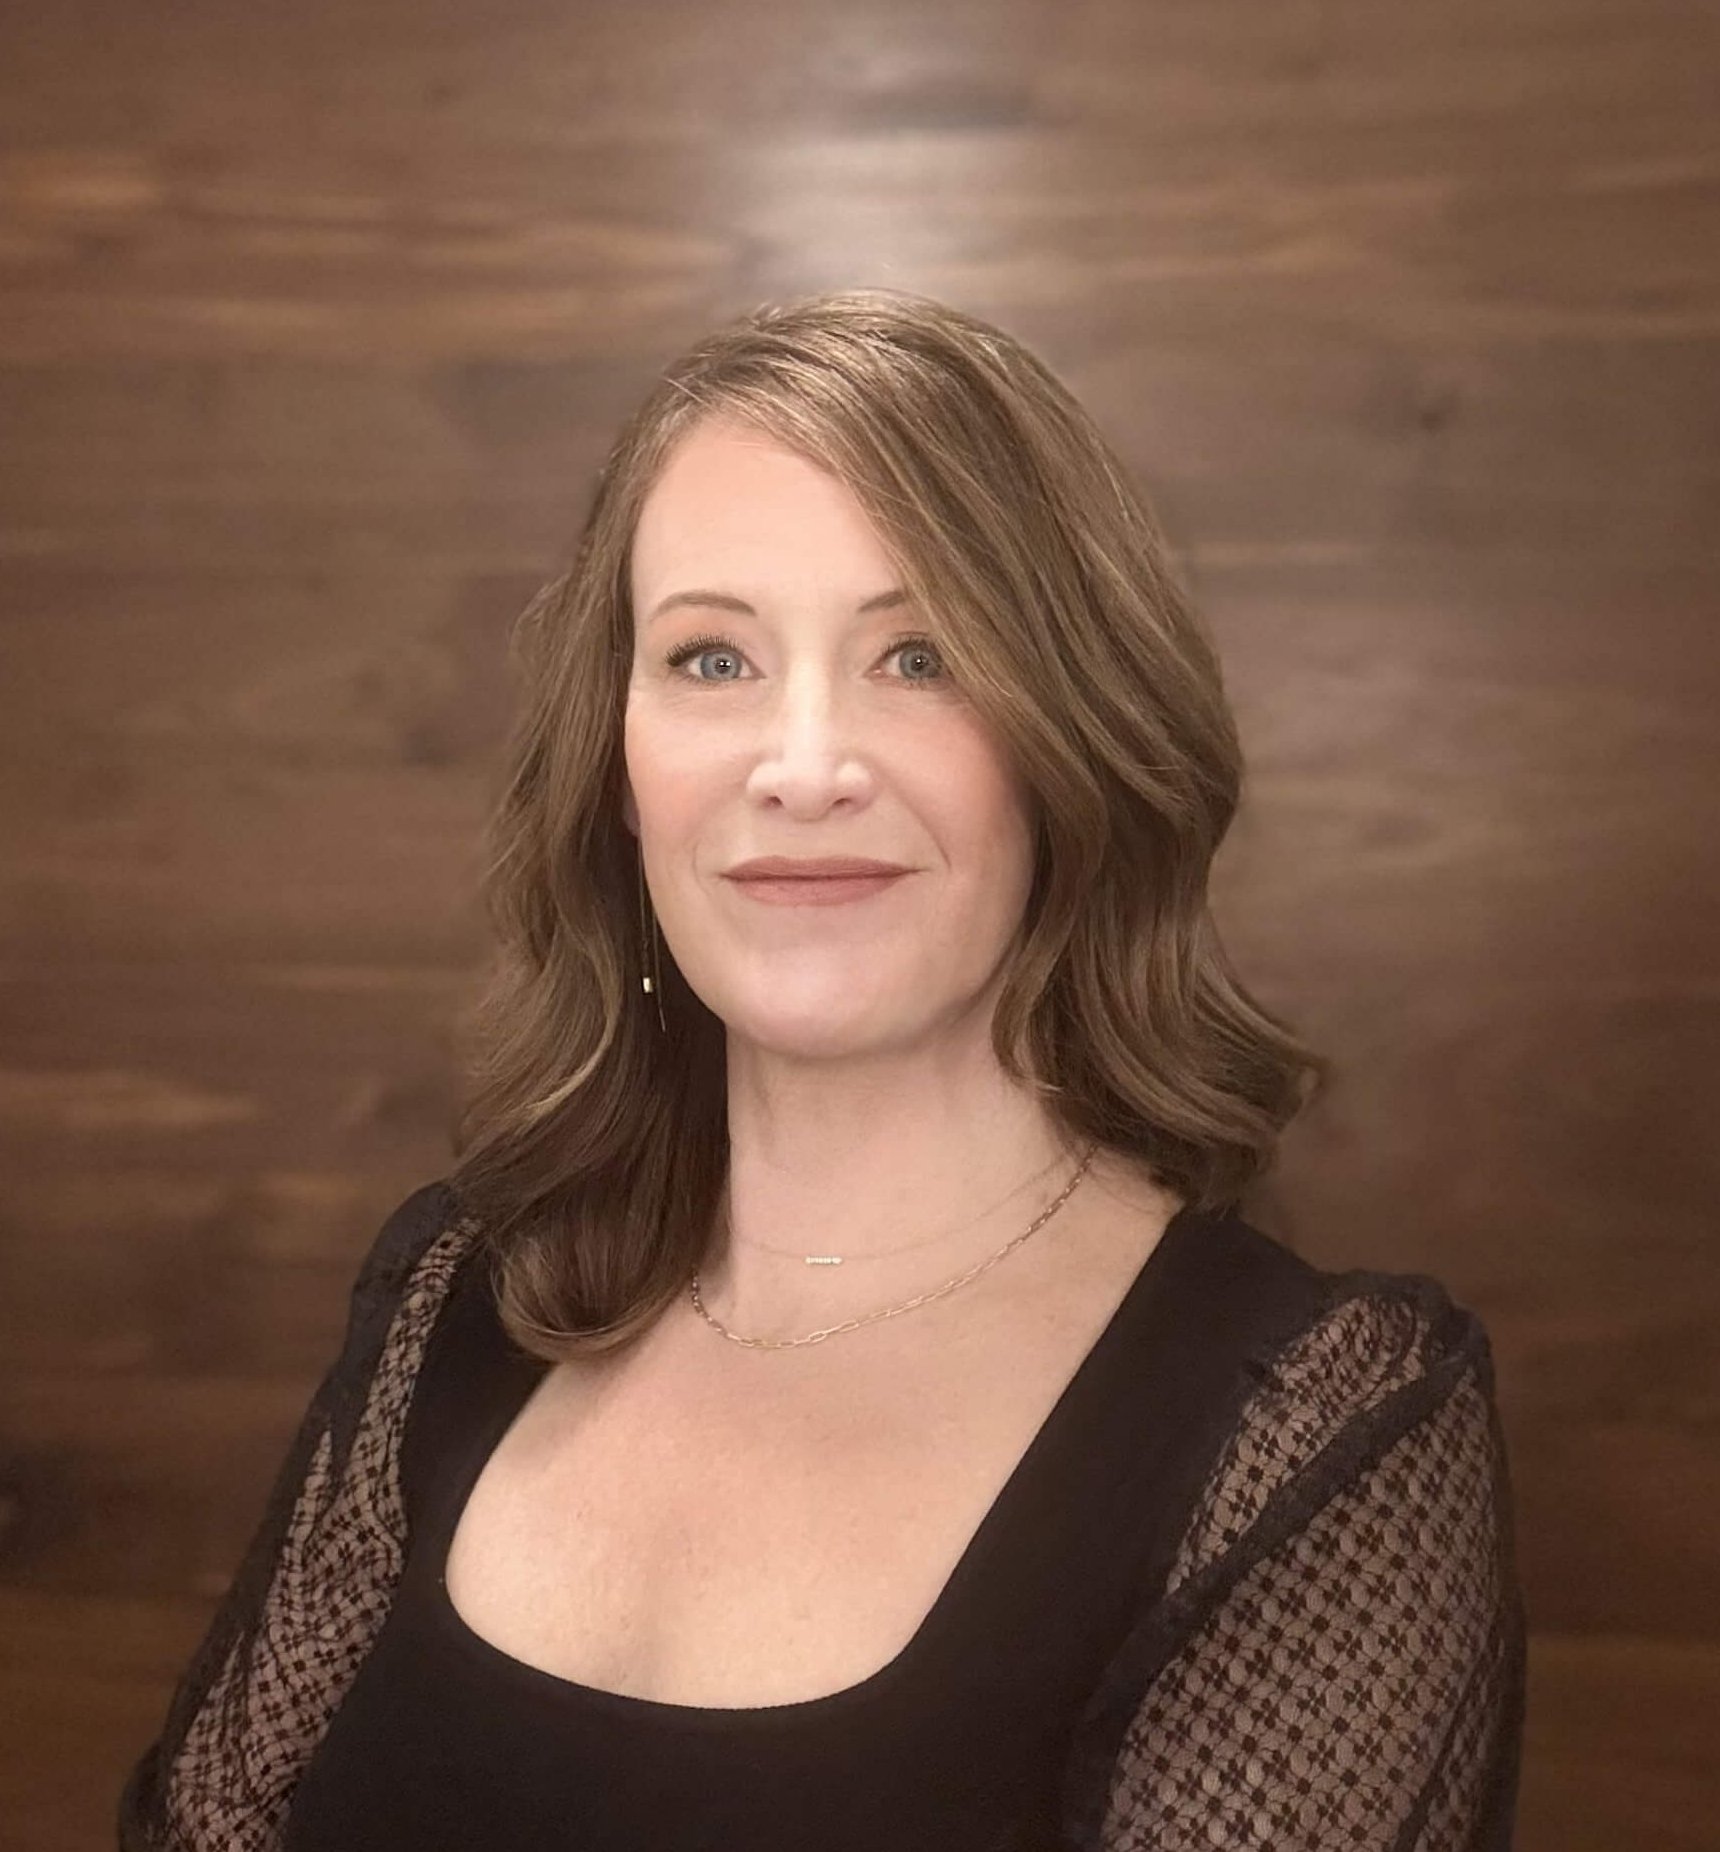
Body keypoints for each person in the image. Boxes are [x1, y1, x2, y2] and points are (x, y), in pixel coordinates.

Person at [118, 289, 1526, 1850]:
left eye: (918, 655)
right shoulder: (456, 1303)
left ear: (1078, 741)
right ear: (619, 774)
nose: (800, 766)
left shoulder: (1310, 1430)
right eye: (711, 660)